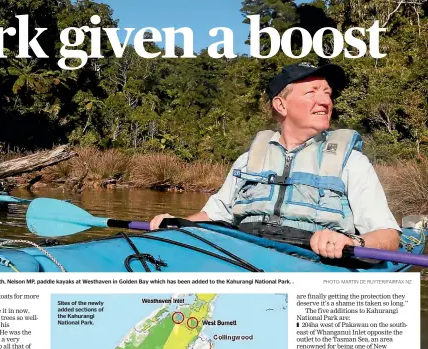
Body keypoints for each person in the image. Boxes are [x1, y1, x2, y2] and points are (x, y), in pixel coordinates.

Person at [150, 63, 400, 259]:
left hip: (312, 261)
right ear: (281, 105)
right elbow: (214, 215)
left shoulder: (352, 163)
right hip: (244, 255)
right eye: (311, 92)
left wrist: (353, 242)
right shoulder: (248, 161)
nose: (325, 101)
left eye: (327, 93)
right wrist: (174, 222)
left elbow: (388, 236)